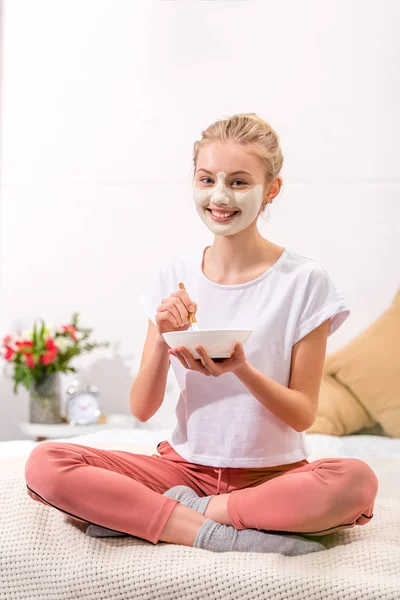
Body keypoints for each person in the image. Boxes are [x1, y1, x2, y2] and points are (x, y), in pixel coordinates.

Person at [24, 113, 378, 556]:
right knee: (46, 463)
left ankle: (175, 514)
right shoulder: (173, 278)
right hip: (181, 469)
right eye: (207, 179)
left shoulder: (305, 281)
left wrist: (242, 369)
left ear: (271, 189)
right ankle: (216, 532)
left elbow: (303, 415)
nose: (220, 196)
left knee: (356, 482)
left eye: (239, 182)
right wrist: (160, 338)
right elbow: (142, 408)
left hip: (272, 478)